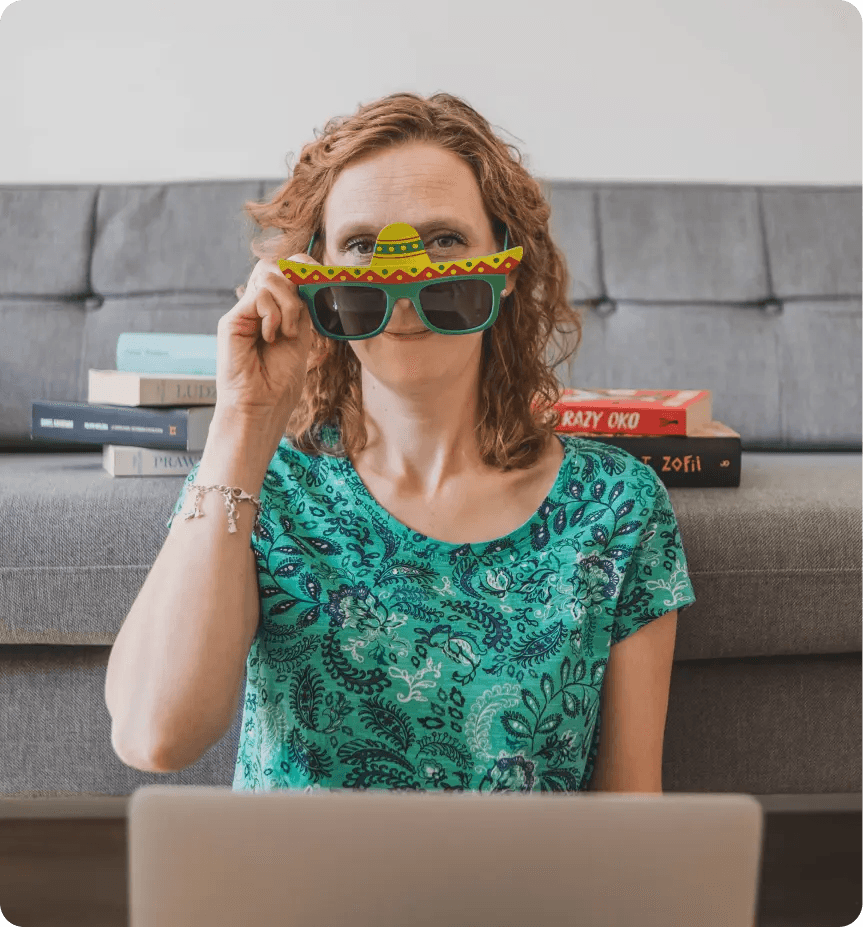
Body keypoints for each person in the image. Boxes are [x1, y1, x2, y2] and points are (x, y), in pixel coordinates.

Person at [105, 91, 696, 793]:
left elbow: (630, 816)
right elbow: (154, 734)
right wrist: (242, 420)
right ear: (316, 280)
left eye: (444, 240)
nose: (406, 288)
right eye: (361, 245)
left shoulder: (614, 506)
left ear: (502, 269)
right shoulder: (264, 485)